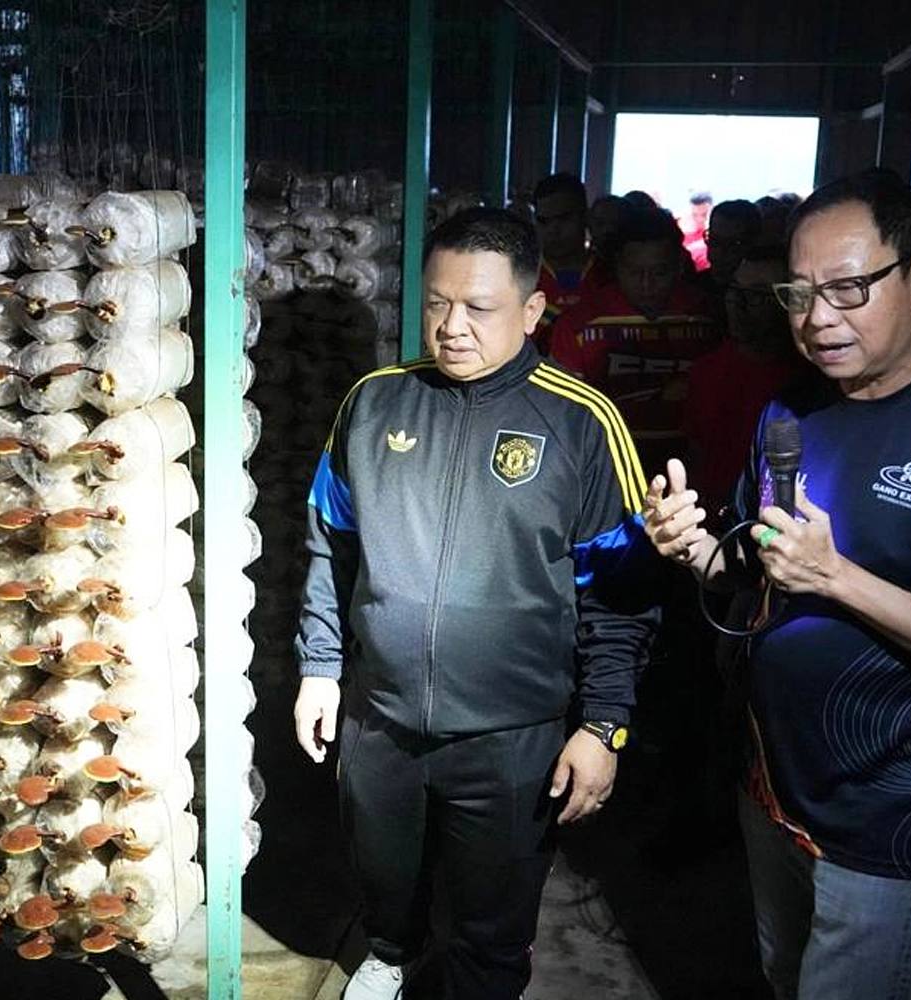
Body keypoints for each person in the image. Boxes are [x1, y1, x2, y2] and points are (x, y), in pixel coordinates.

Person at [643, 170, 911, 1000]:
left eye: (847, 289)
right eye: (799, 294)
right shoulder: (794, 412)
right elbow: (752, 570)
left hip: (889, 821)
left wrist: (839, 578)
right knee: (783, 979)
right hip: (773, 791)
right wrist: (693, 547)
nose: (816, 318)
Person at [293, 207, 659, 1000]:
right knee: (385, 880)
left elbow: (623, 599)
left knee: (492, 926)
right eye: (436, 303)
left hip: (511, 736)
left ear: (533, 310)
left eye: (479, 308)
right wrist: (321, 667)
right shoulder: (374, 403)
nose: (451, 327)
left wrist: (603, 726)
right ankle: (391, 955)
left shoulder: (582, 423)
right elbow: (331, 541)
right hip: (380, 720)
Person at [547, 205, 723, 476]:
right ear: (617, 265)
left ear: (679, 266)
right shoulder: (579, 323)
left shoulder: (708, 316)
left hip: (696, 466)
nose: (646, 284)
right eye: (634, 272)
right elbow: (562, 412)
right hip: (605, 467)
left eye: (659, 272)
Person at [684, 244, 813, 518]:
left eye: (756, 295)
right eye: (735, 291)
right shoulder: (706, 370)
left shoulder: (809, 379)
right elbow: (697, 454)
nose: (738, 305)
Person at [530, 173, 607, 354]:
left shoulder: (612, 274)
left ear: (585, 218)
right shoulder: (520, 276)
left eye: (563, 219)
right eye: (543, 221)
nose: (553, 230)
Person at [705, 198, 764, 286]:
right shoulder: (693, 287)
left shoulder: (766, 290)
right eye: (714, 240)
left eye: (733, 244)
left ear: (753, 243)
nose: (719, 252)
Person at [681, 190, 713, 271]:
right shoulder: (680, 233)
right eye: (694, 215)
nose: (700, 219)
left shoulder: (720, 233)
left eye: (704, 214)